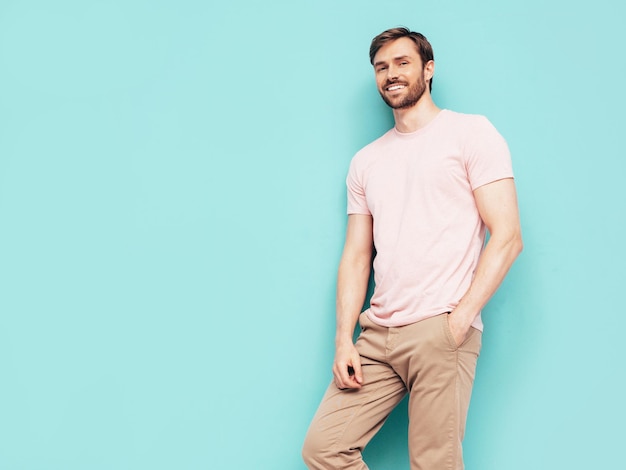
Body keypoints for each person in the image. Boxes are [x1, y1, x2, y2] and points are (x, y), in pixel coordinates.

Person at [302, 27, 523, 470]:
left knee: (433, 464)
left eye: (402, 62)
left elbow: (508, 236)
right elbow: (357, 256)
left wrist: (458, 322)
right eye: (381, 67)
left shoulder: (471, 134)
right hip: (377, 336)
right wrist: (344, 339)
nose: (391, 74)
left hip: (439, 330)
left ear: (428, 68)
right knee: (324, 449)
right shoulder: (365, 161)